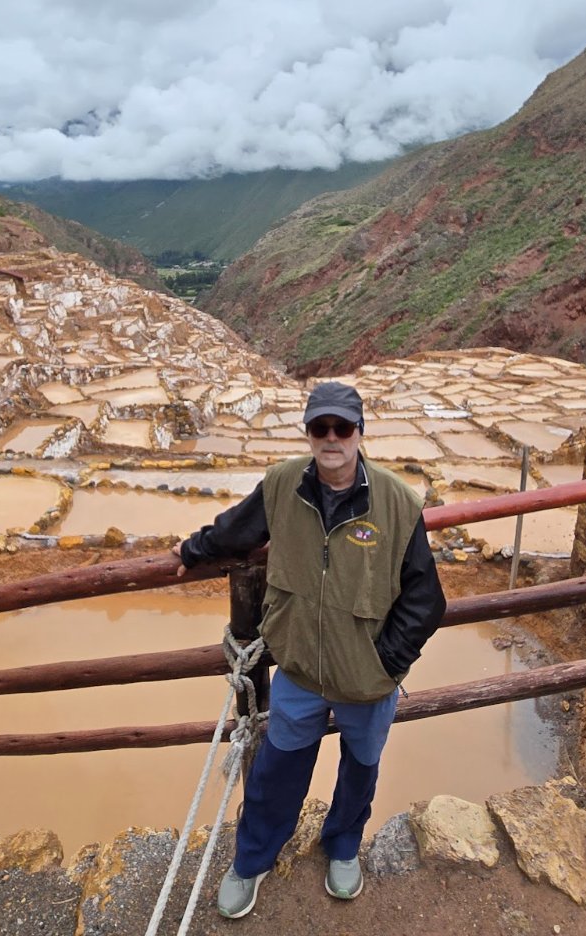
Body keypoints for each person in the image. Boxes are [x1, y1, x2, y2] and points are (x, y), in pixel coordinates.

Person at [173, 381, 446, 919]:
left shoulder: (396, 502)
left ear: (359, 432)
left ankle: (343, 847)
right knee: (277, 770)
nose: (331, 438)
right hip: (298, 668)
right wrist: (193, 549)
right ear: (309, 432)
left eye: (342, 427)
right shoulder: (281, 486)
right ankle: (252, 860)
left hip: (367, 679)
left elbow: (426, 599)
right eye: (320, 427)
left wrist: (384, 661)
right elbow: (237, 531)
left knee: (360, 769)